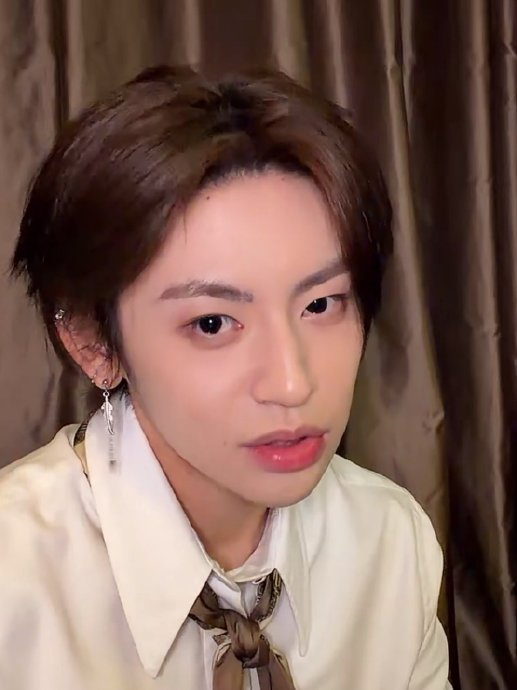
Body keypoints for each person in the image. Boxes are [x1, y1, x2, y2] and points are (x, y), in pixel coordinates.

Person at [0, 66, 451, 690]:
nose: (292, 384)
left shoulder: (389, 540)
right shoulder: (15, 578)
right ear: (93, 342)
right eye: (213, 323)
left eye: (321, 304)